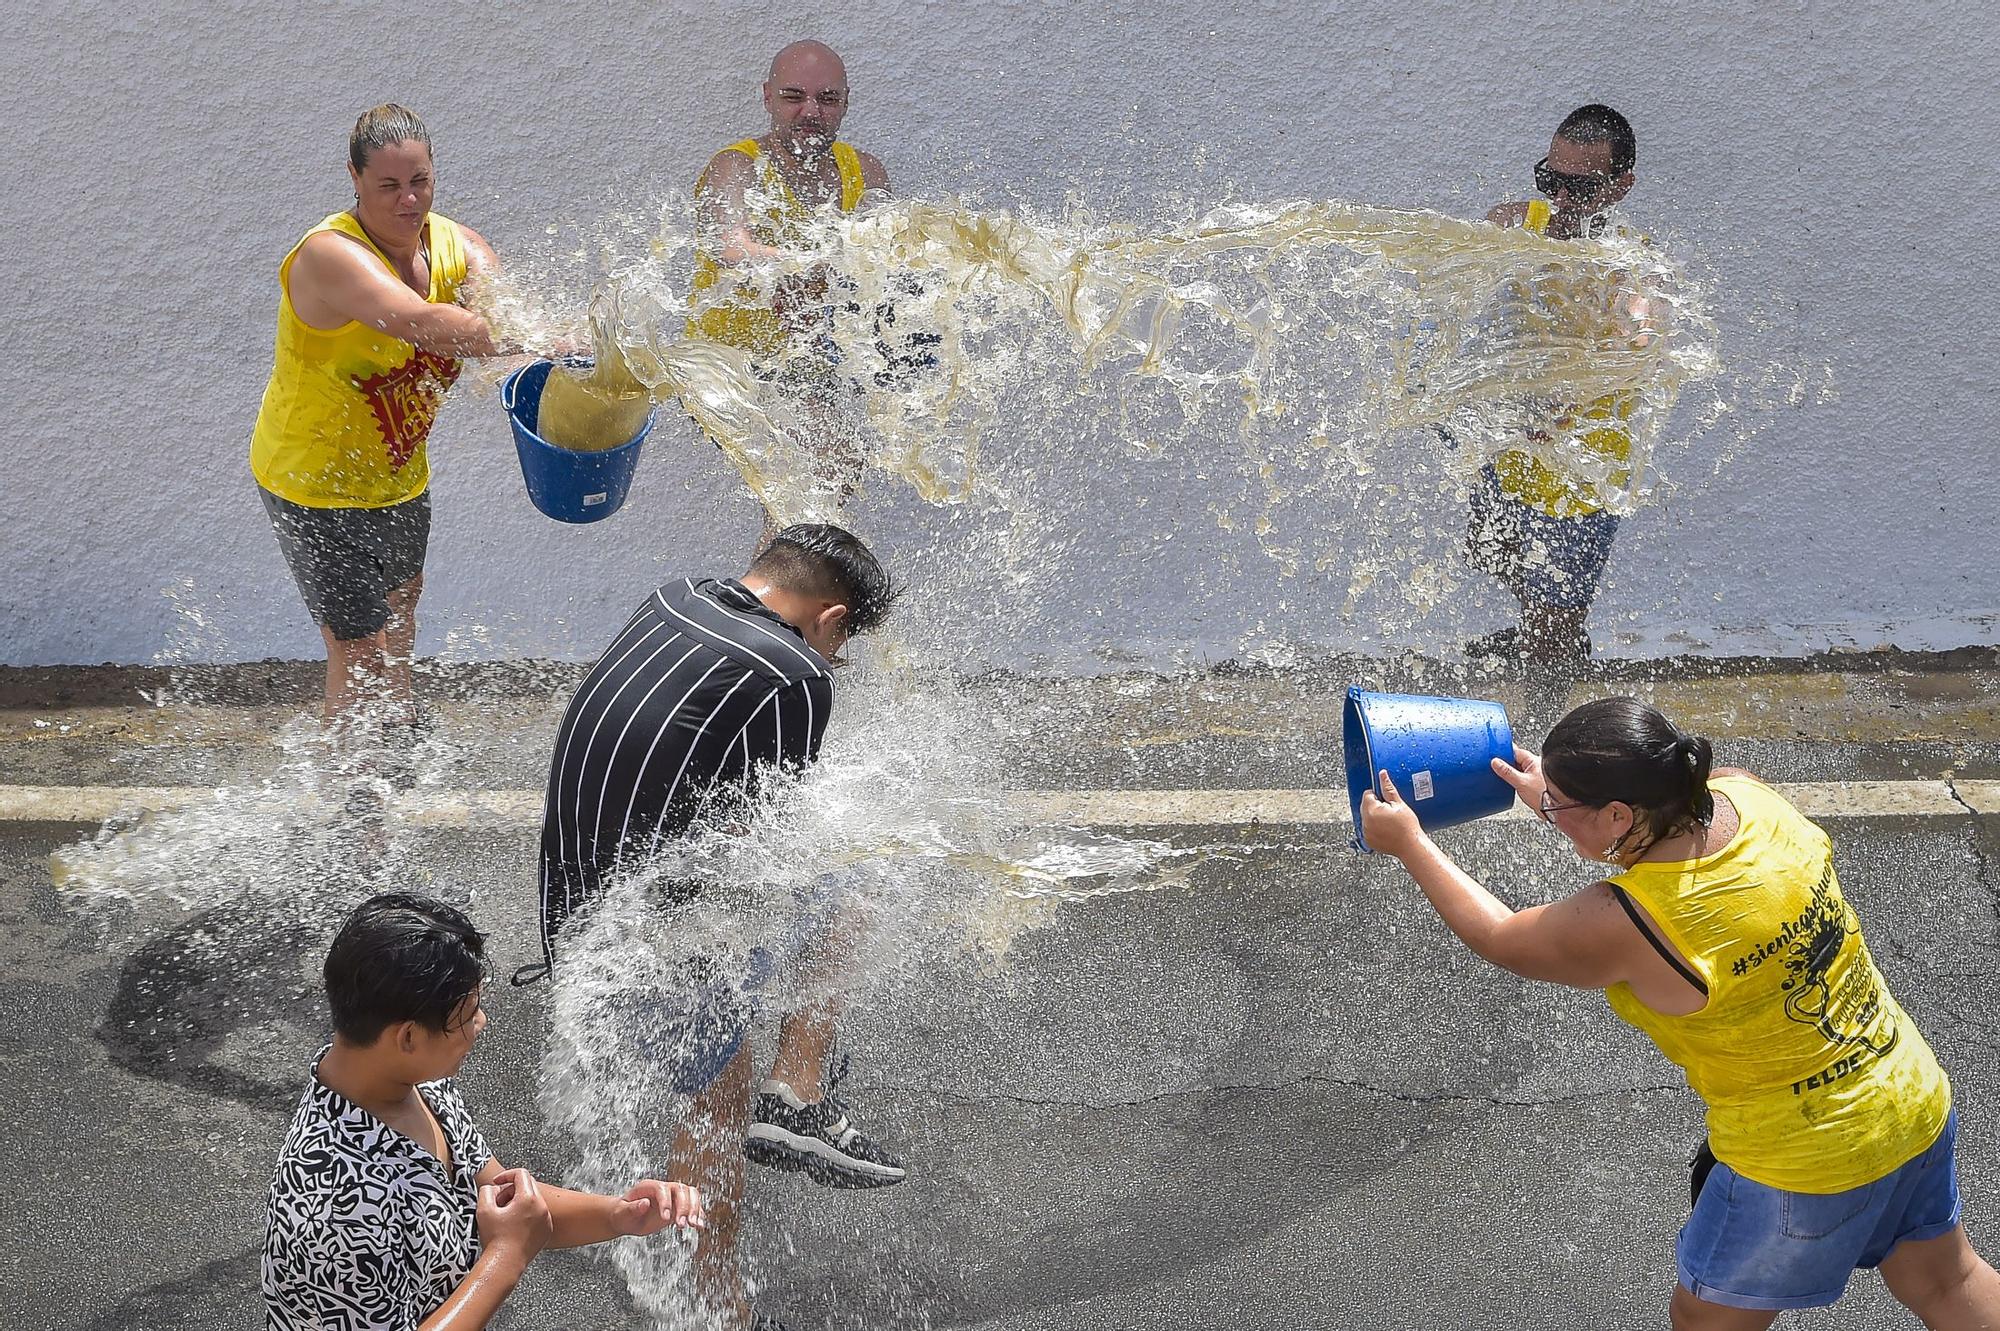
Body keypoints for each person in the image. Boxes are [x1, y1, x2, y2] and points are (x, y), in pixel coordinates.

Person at [1359, 697, 2000, 1329]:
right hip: (1908, 1096)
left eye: (1559, 803)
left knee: (1705, 1322)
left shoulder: (1634, 919)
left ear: (1617, 813)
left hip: (1801, 1155)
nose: (1548, 809)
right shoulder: (1746, 797)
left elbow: (1500, 936)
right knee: (1950, 1283)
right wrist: (1561, 808)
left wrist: (1411, 844)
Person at [528, 523, 904, 1330]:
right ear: (831, 619)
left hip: (573, 907)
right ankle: (714, 1302)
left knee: (854, 878)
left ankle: (799, 1090)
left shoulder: (675, 597)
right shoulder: (797, 674)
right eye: (844, 646)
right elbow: (764, 839)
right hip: (634, 947)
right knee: (718, 1100)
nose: (838, 663)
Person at [262, 893, 704, 1329]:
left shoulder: (412, 1087)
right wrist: (506, 1257)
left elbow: (506, 1200)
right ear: (409, 1038)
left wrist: (616, 1214)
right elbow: (513, 1235)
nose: (482, 1023)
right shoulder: (332, 1207)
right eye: (468, 1013)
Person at [251, 105, 512, 738]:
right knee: (360, 649)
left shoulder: (459, 246)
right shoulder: (328, 255)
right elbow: (423, 322)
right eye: (389, 186)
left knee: (401, 613)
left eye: (419, 181)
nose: (408, 200)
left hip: (397, 477)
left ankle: (391, 751)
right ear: (355, 178)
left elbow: (506, 313)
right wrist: (533, 335)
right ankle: (356, 816)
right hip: (312, 483)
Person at [686, 41, 891, 533]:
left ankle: (773, 600)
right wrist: (814, 270)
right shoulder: (736, 167)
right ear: (767, 98)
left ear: (845, 102)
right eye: (794, 96)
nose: (810, 112)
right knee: (812, 471)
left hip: (806, 360)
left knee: (824, 485)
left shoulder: (864, 172)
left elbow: (880, 265)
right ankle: (776, 600)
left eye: (827, 99)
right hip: (725, 361)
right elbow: (733, 251)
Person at [1466, 104, 1643, 666]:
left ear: (1620, 187)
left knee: (1551, 641)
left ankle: (1553, 666)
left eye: (1581, 187)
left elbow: (1640, 334)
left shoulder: (1631, 262)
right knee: (1486, 548)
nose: (1562, 199)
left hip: (1581, 467)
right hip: (1512, 443)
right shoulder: (1513, 225)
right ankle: (1544, 627)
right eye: (1550, 179)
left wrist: (1570, 399)